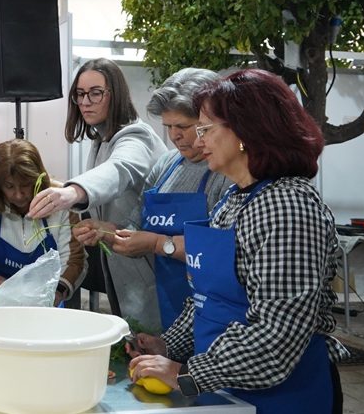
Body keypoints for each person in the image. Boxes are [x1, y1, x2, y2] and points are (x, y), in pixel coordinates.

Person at [128, 69, 347, 413]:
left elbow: (278, 335)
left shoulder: (287, 207)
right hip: (227, 389)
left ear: (246, 131)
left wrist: (188, 373)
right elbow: (206, 300)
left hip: (282, 397)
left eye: (205, 130)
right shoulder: (233, 201)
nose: (197, 142)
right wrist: (167, 345)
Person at [73, 68, 232, 329]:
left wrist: (157, 244)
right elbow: (137, 226)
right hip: (162, 305)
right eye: (168, 126)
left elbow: (225, 253)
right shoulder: (167, 165)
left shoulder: (226, 173)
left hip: (213, 313)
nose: (174, 136)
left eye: (183, 126)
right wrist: (109, 233)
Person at [27, 58, 166, 331]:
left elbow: (119, 169)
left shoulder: (136, 136)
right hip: (125, 272)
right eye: (80, 94)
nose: (86, 101)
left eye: (95, 93)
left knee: (155, 351)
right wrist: (96, 226)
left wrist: (72, 192)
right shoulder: (101, 139)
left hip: (152, 272)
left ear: (116, 94)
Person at [0, 139, 86, 306]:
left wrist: (55, 294)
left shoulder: (60, 204)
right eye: (9, 187)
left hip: (46, 303)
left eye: (25, 185)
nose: (18, 195)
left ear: (37, 179)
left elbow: (73, 260)